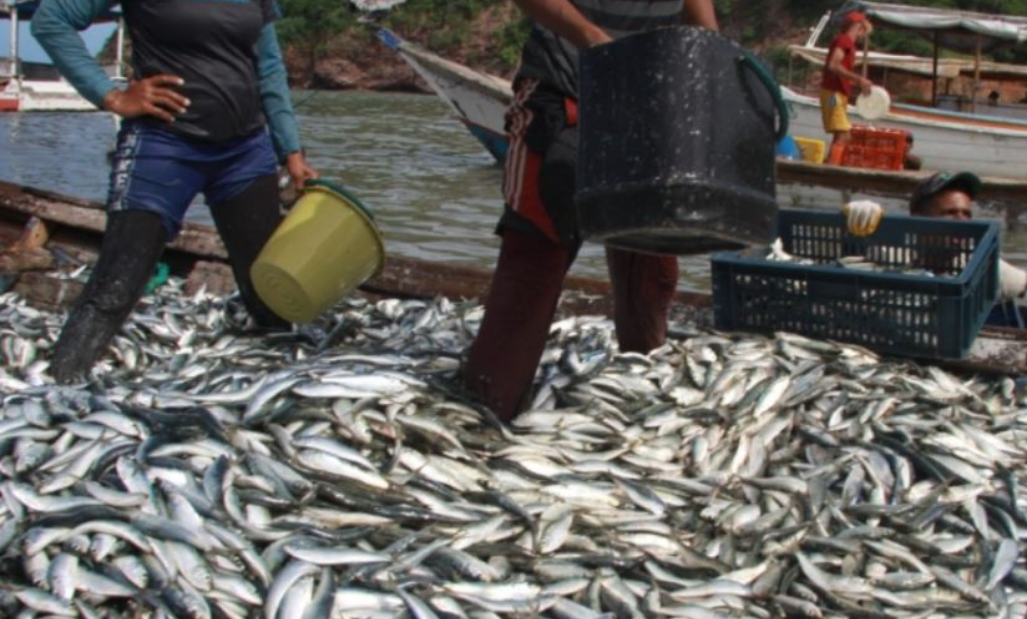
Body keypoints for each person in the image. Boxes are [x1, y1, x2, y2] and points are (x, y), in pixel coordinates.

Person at [32, 0, 318, 383]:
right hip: (162, 145)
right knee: (117, 285)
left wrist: (291, 150)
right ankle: (61, 385)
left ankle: (279, 386)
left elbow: (268, 66)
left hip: (245, 151)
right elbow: (51, 21)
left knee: (268, 290)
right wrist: (110, 95)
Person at [462, 0, 718, 422]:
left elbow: (701, 24)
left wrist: (710, 72)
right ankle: (486, 413)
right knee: (535, 256)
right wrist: (595, 41)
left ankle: (643, 395)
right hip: (564, 93)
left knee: (651, 268)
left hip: (649, 105)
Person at [844, 171, 1027, 326]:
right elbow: (849, 265)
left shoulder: (977, 265)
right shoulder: (891, 259)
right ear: (918, 219)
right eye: (950, 213)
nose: (962, 222)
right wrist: (853, 228)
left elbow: (1021, 282)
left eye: (966, 214)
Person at [820, 10, 874, 165]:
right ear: (860, 28)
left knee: (839, 134)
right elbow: (833, 65)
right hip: (833, 94)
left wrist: (857, 83)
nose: (862, 37)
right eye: (863, 32)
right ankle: (831, 167)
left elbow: (839, 70)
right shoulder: (844, 41)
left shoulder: (845, 42)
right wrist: (859, 79)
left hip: (836, 93)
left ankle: (830, 163)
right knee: (843, 134)